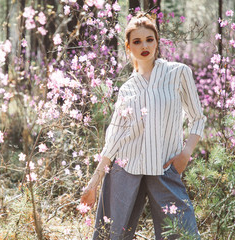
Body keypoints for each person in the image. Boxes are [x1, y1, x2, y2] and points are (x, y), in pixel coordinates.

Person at [80, 11, 206, 240]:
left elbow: (197, 117)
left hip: (165, 168)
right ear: (128, 48)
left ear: (157, 42)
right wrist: (93, 183)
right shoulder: (127, 88)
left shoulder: (178, 73)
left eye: (149, 39)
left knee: (183, 234)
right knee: (111, 235)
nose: (144, 45)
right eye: (137, 41)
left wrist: (185, 153)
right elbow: (114, 139)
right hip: (126, 169)